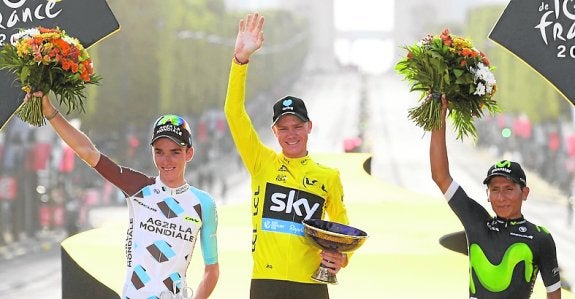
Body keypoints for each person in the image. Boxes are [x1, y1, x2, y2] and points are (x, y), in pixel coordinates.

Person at [33, 92, 219, 298]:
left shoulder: (203, 204)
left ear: (189, 153)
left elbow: (212, 270)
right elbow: (86, 151)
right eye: (159, 152)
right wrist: (50, 112)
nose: (166, 160)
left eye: (175, 152)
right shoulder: (139, 188)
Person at [223, 13, 351, 299]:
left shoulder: (328, 177)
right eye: (283, 128)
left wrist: (343, 259)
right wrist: (240, 60)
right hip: (266, 282)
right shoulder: (260, 161)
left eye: (297, 126)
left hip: (312, 285)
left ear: (309, 127)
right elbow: (233, 113)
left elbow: (343, 232)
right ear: (274, 131)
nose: (291, 134)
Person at [430, 96, 562, 298]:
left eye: (509, 189)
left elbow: (554, 294)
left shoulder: (540, 238)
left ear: (524, 193)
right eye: (495, 190)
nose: (501, 197)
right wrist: (438, 115)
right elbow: (440, 176)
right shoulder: (476, 222)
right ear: (488, 195)